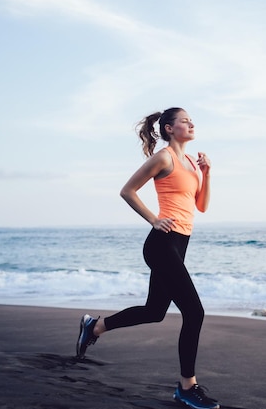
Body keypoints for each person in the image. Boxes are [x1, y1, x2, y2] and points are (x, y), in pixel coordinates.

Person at [75, 107, 219, 409]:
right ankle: (186, 387)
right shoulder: (163, 158)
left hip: (180, 243)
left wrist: (207, 173)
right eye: (185, 121)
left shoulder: (192, 162)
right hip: (161, 243)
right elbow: (127, 191)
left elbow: (202, 206)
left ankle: (95, 326)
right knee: (195, 312)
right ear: (169, 128)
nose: (191, 124)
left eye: (192, 121)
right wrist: (154, 219)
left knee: (155, 311)